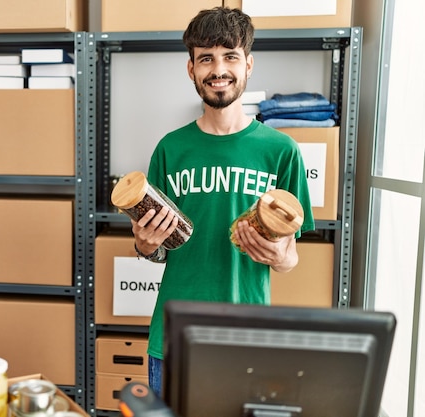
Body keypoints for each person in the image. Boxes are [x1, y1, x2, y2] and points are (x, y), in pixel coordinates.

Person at [130, 7, 316, 397]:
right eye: (206, 59)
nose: (219, 69)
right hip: (174, 339)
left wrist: (278, 257)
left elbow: (290, 258)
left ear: (248, 65)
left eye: (230, 56)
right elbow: (161, 251)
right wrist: (145, 246)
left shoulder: (281, 151)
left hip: (248, 338)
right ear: (191, 69)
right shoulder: (171, 149)